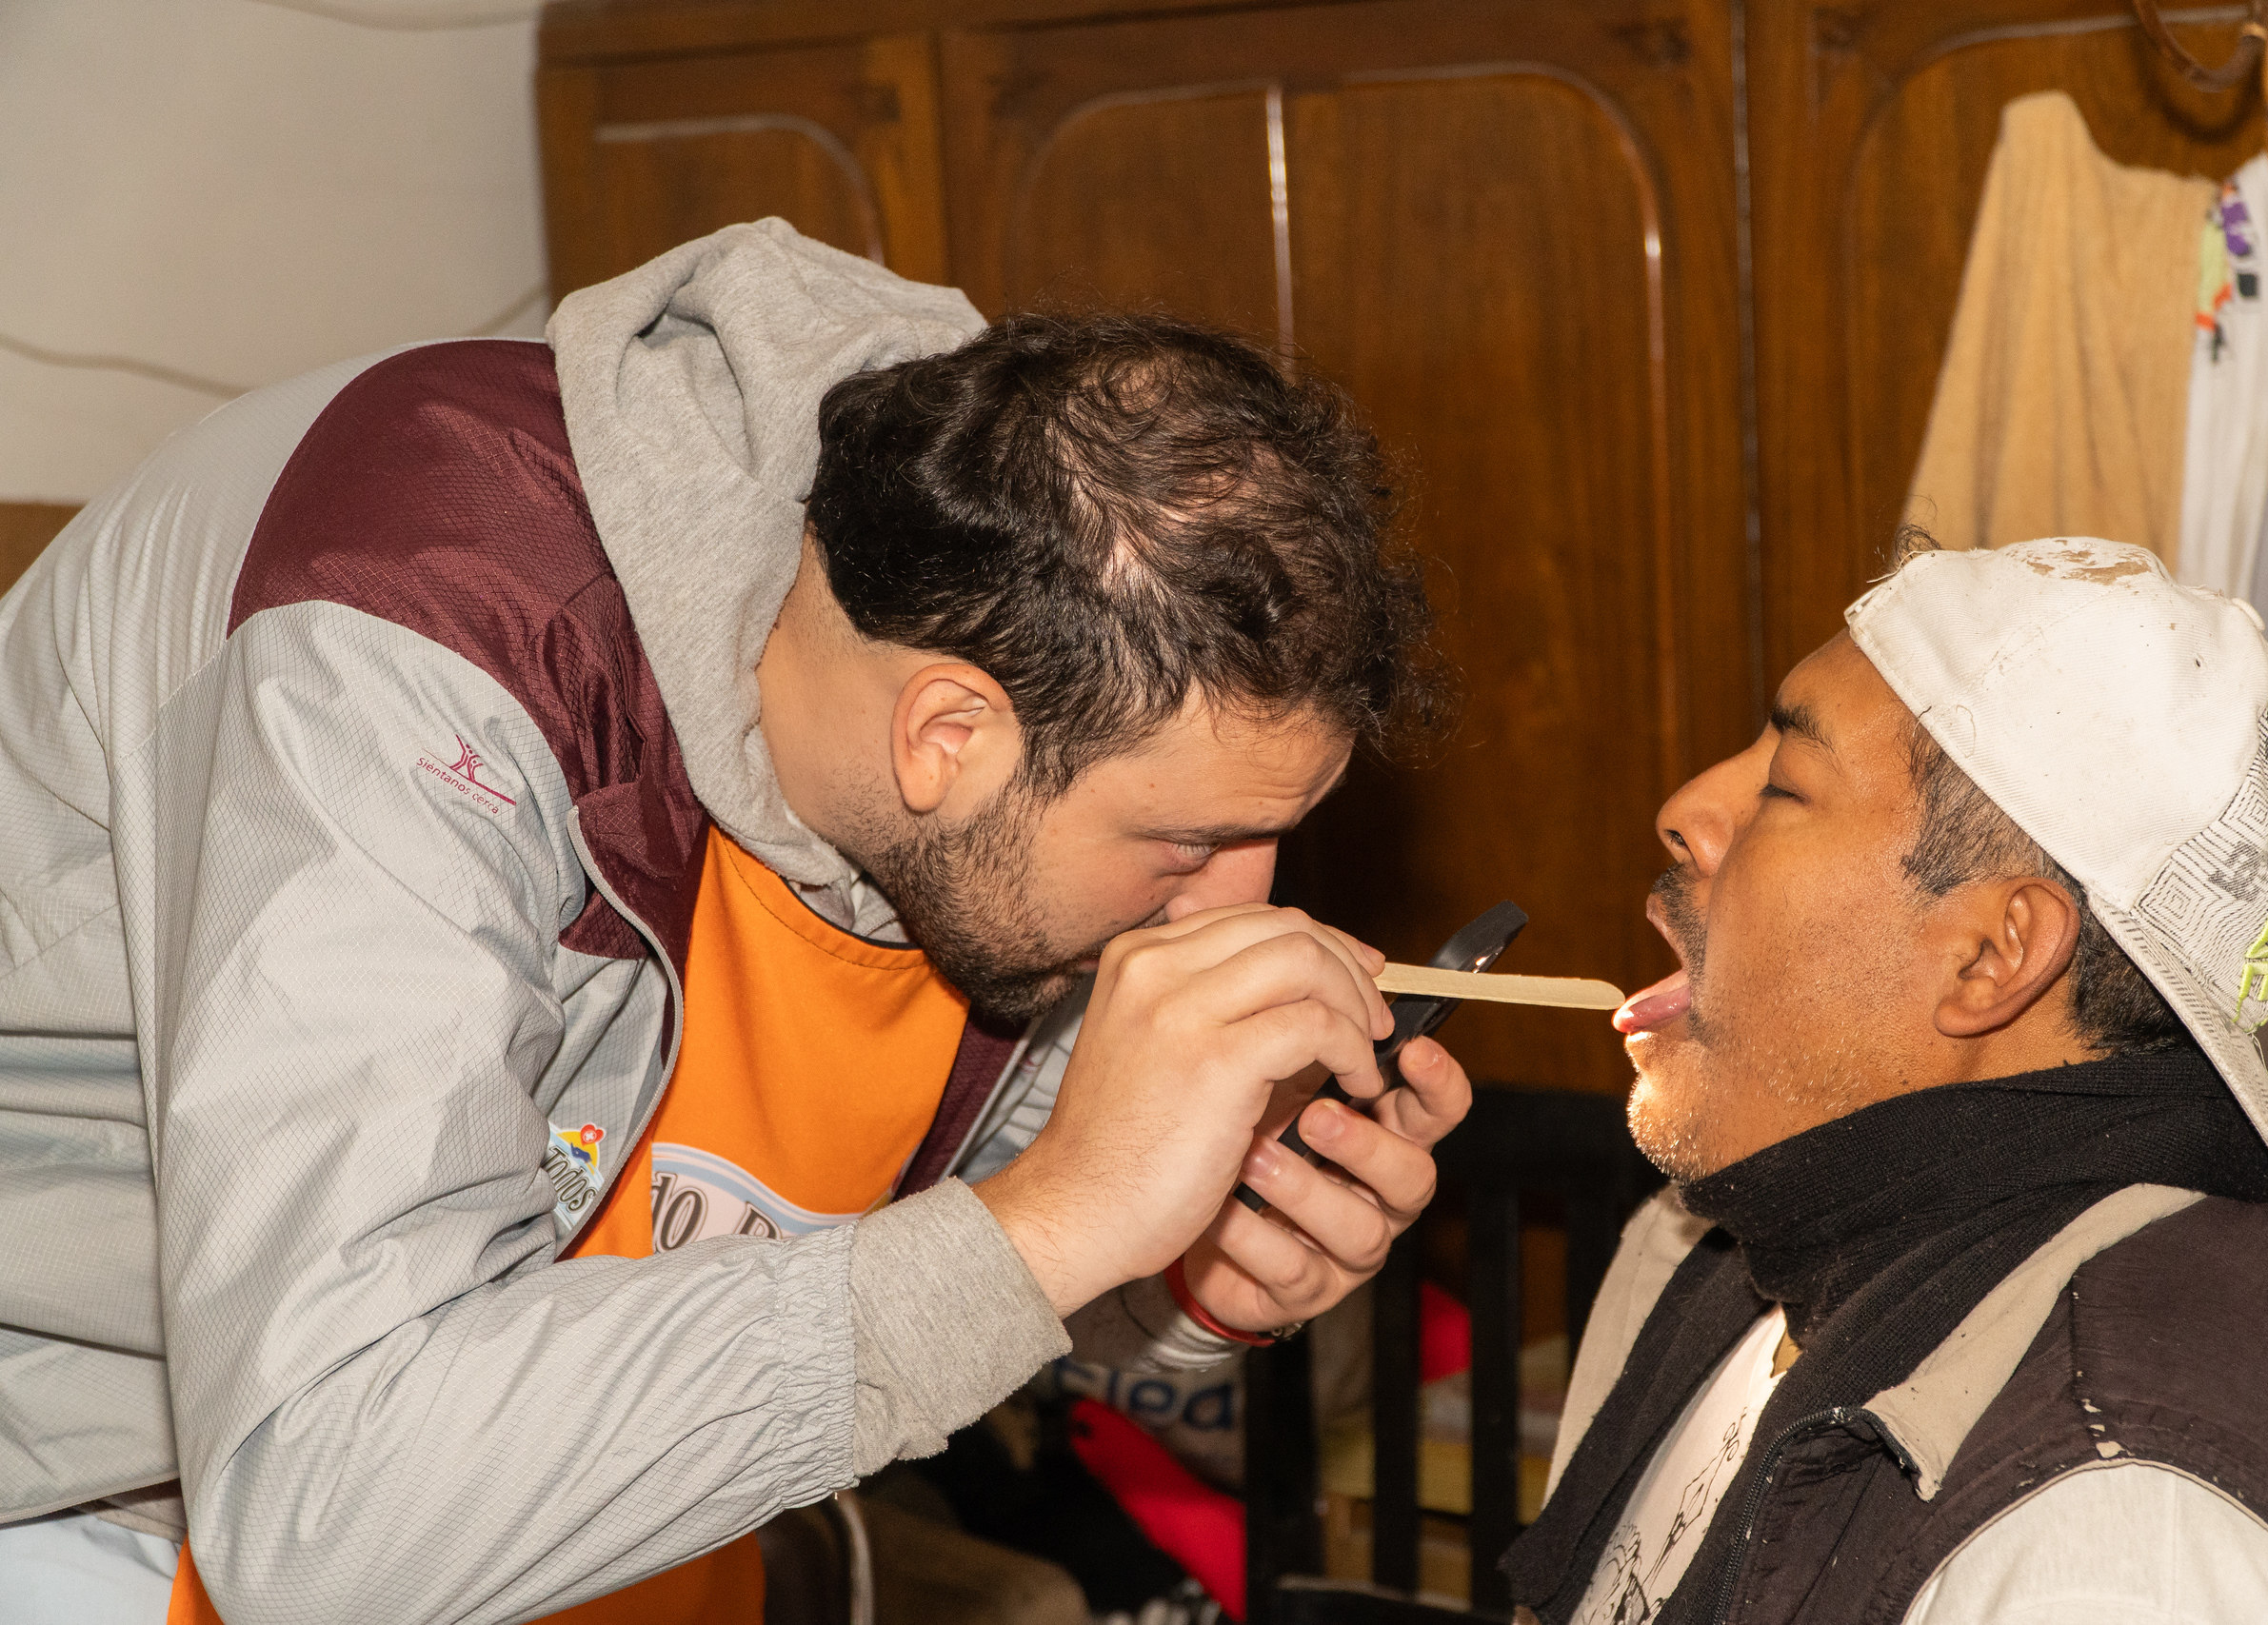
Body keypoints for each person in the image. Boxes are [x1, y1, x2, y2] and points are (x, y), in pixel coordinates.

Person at [0, 221, 1475, 1624]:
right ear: (944, 735)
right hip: (96, 1500)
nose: (1245, 904)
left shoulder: (969, 635)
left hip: (566, 1539)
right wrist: (1059, 1223)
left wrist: (1178, 1261)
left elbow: (968, 1224)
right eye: (1190, 842)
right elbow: (330, 1512)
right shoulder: (401, 655)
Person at [1505, 535, 2268, 1624]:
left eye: (1787, 785)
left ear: (1994, 957)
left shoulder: (2120, 1555)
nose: (1686, 809)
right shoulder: (1701, 1254)